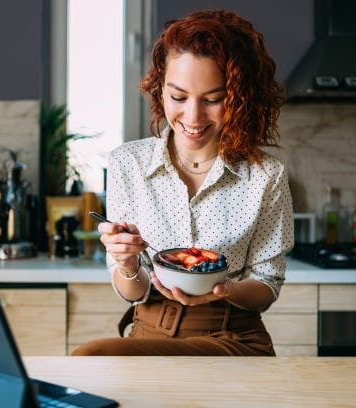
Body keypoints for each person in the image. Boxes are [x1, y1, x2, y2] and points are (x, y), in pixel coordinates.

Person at [72, 10, 294, 356]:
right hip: (149, 333)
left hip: (231, 337)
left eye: (213, 99)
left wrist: (222, 290)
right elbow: (133, 292)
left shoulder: (266, 175)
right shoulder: (127, 164)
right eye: (178, 97)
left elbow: (267, 284)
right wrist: (128, 264)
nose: (192, 117)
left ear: (240, 99)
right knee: (87, 359)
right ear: (159, 89)